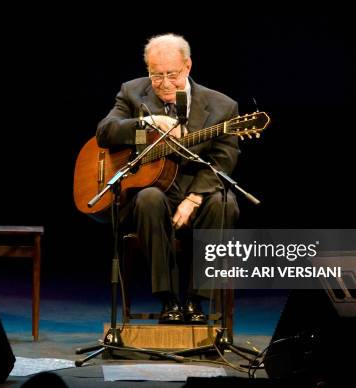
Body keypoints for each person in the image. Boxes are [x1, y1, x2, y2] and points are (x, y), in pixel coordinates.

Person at [96, 33, 240, 324]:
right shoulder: (133, 92)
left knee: (225, 204)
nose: (163, 83)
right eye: (155, 75)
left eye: (171, 75)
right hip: (151, 188)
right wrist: (147, 122)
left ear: (187, 67)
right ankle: (168, 299)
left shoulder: (223, 106)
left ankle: (198, 301)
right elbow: (105, 131)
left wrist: (194, 197)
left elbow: (223, 160)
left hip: (198, 187)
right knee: (149, 199)